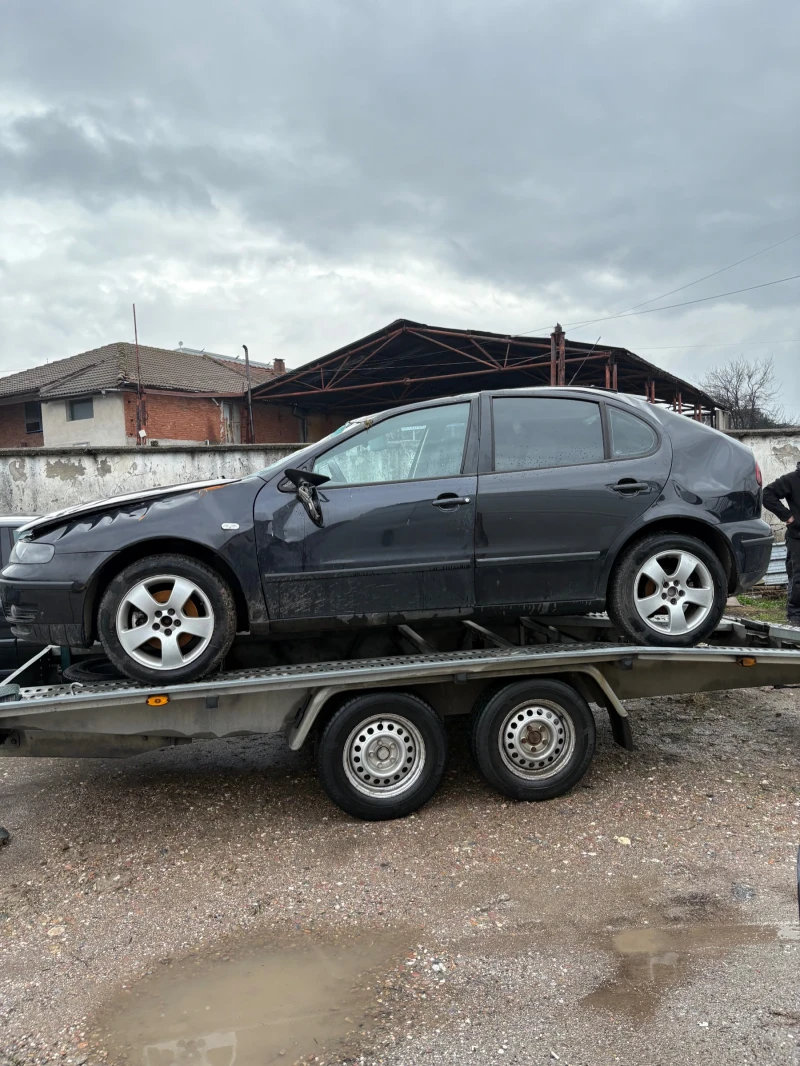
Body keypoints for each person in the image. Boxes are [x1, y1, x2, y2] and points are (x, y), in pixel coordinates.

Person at [762, 461, 800, 624]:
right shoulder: (792, 479)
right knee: (798, 577)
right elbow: (767, 494)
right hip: (798, 536)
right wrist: (787, 516)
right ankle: (795, 615)